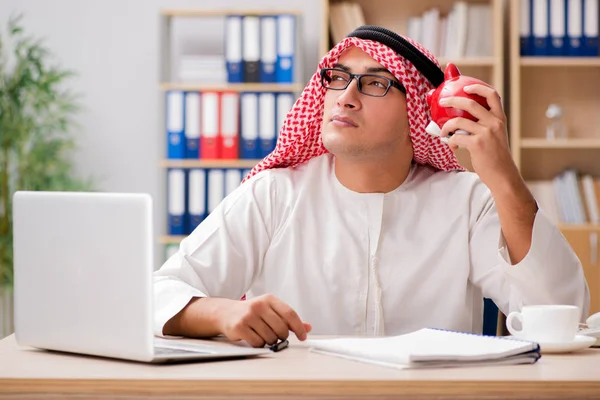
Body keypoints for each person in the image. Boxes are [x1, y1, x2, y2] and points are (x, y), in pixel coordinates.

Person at [153, 26, 590, 348]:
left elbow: (561, 313)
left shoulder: (468, 202)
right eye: (338, 78)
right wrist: (221, 311)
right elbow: (157, 293)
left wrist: (502, 176)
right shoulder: (274, 195)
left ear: (419, 115)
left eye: (376, 82)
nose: (345, 96)